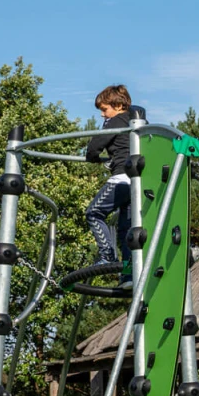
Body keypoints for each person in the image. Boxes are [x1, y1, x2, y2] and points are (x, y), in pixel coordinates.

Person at [82, 84, 144, 287]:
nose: (102, 115)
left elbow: (95, 146)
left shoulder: (116, 121)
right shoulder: (139, 124)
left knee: (94, 212)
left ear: (117, 105)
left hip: (121, 179)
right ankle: (129, 275)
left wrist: (92, 157)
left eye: (104, 109)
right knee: (127, 229)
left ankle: (107, 255)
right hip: (137, 181)